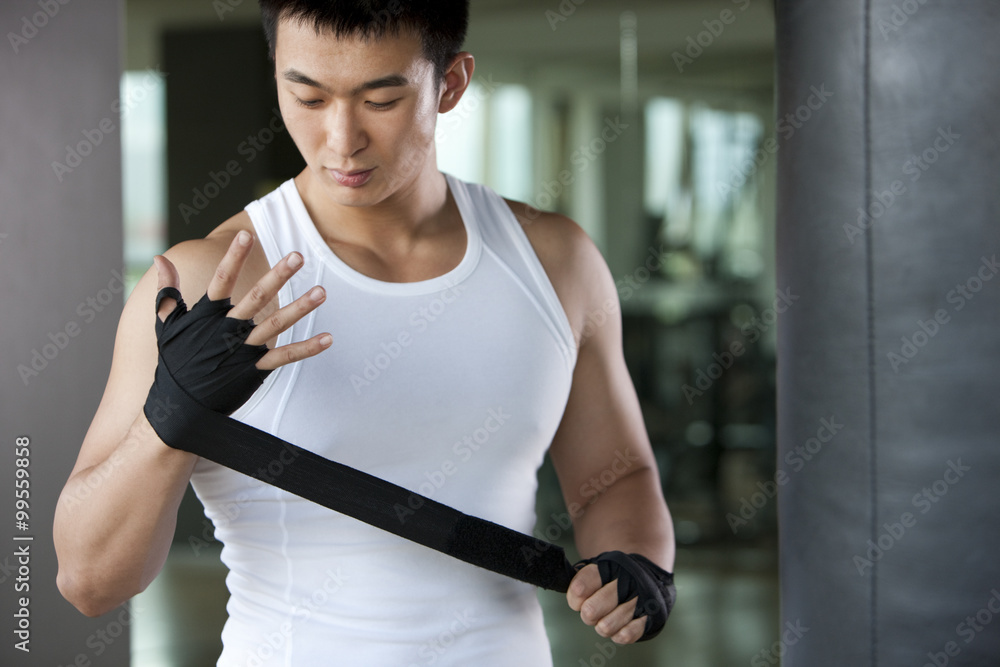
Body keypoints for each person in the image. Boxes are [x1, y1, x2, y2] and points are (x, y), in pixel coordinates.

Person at [53, 1, 675, 663]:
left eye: (380, 99)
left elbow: (618, 476)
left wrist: (637, 564)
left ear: (452, 83)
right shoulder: (210, 280)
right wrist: (169, 416)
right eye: (308, 96)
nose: (341, 139)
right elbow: (90, 582)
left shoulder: (555, 262)